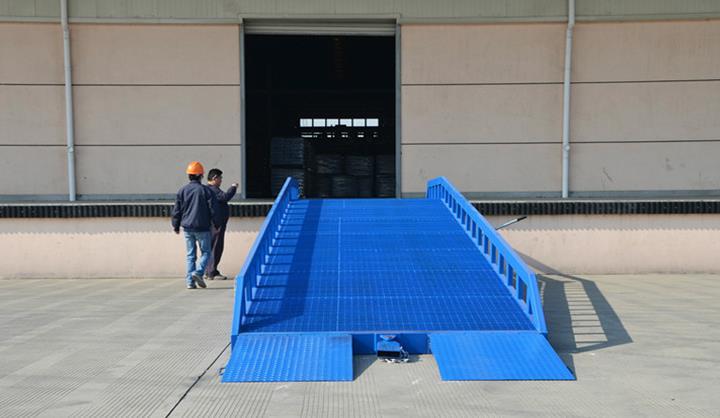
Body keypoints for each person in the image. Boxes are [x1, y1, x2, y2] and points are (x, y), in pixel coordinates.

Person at [171, 161, 220, 289]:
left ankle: (190, 282)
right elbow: (213, 209)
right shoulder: (206, 191)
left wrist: (175, 225)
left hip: (187, 228)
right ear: (200, 175)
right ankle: (198, 272)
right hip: (203, 227)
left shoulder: (182, 190)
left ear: (189, 175)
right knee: (206, 253)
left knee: (190, 256)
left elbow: (177, 210)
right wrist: (216, 223)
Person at [204, 168, 238, 280]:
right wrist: (233, 187)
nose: (221, 180)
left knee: (211, 247)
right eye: (220, 178)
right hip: (217, 223)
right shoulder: (213, 190)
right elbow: (225, 197)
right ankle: (212, 272)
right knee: (216, 247)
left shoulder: (207, 189)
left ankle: (208, 270)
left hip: (212, 223)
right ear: (214, 178)